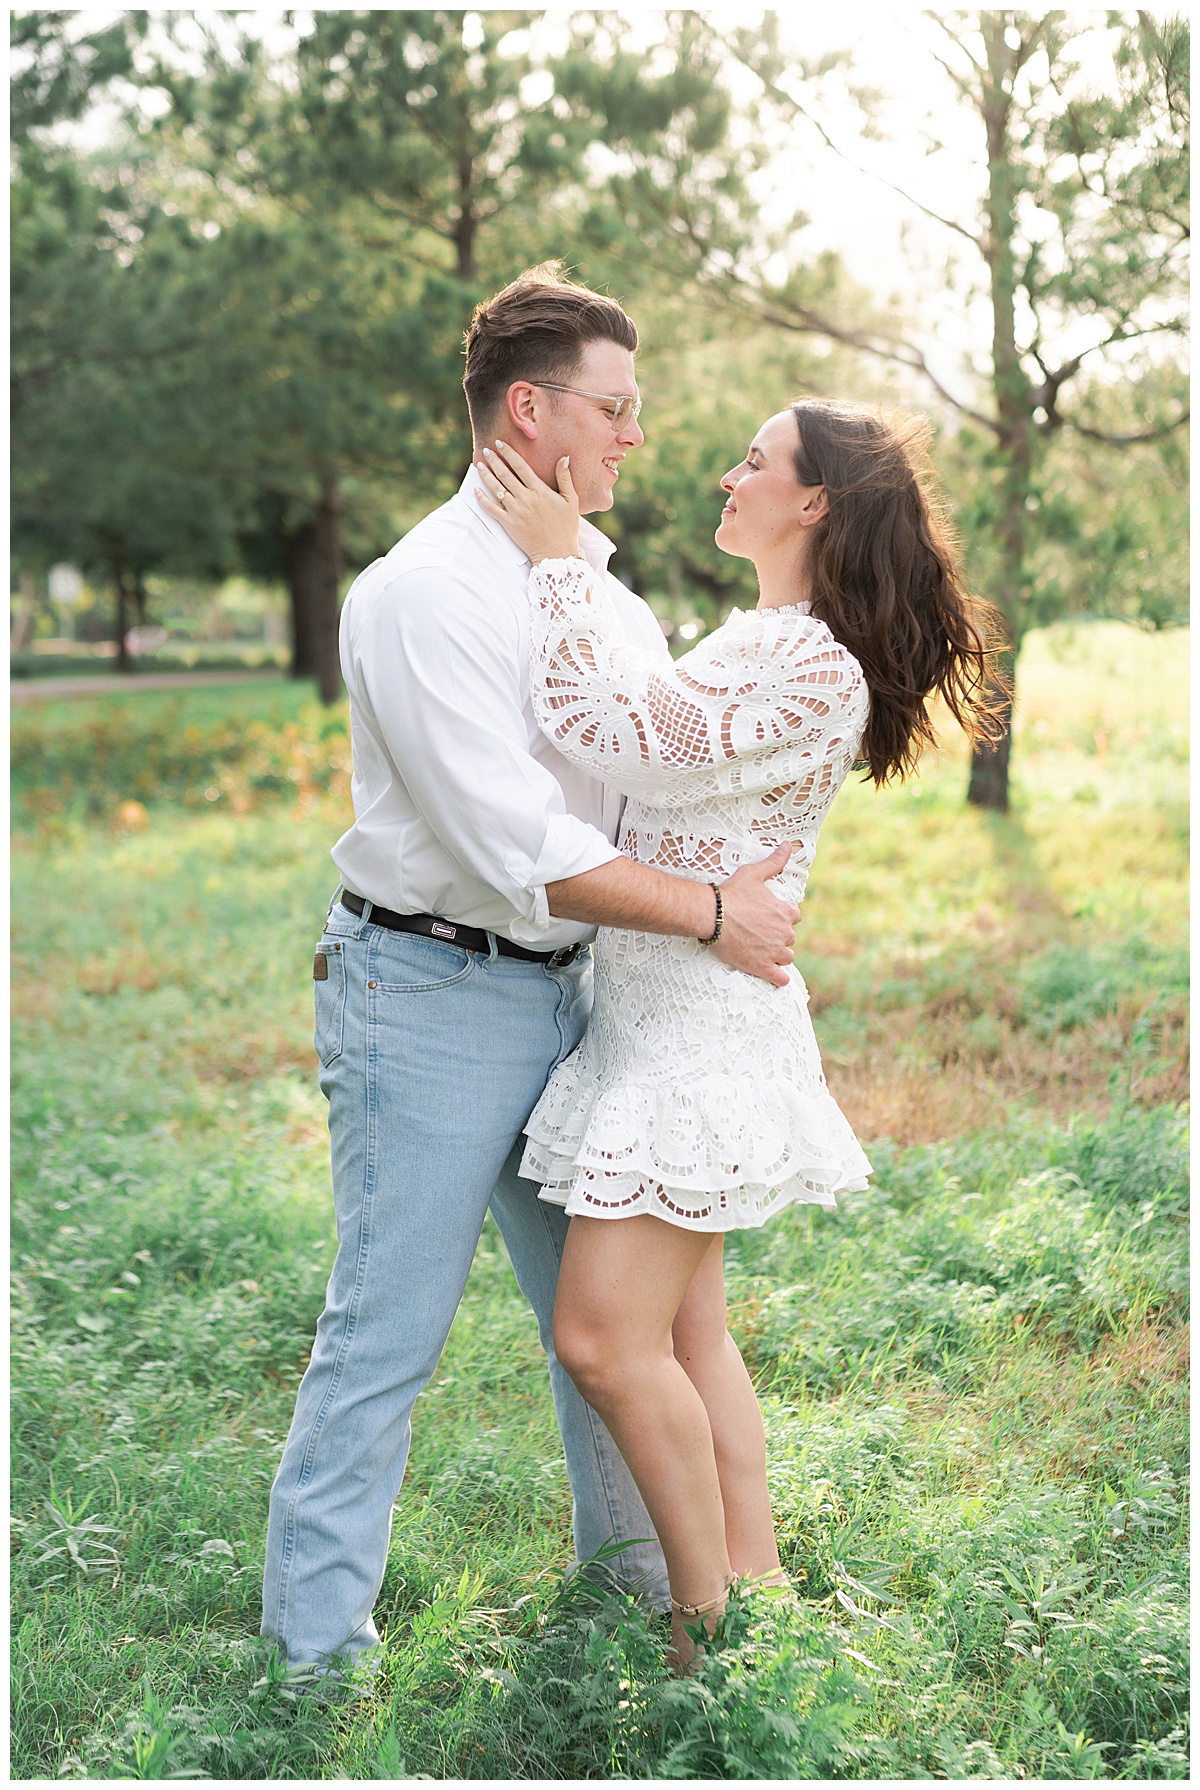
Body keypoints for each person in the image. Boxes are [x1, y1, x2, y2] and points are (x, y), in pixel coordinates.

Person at [260, 263, 805, 1688]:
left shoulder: (595, 589)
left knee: (616, 1335)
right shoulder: (418, 594)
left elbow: (661, 755)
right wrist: (712, 914)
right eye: (615, 409)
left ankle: (634, 1610)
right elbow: (518, 845)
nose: (636, 438)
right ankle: (313, 1672)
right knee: (386, 1334)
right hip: (428, 996)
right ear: (530, 409)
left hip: (587, 1006)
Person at [473, 397, 1002, 1666]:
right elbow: (652, 733)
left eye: (753, 461)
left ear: (814, 501)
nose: (725, 472)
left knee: (604, 1335)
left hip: (701, 1030)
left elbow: (634, 745)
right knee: (692, 1334)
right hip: (660, 1006)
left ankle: (705, 1627)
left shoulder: (812, 658)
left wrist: (555, 569)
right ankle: (754, 1605)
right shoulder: (767, 633)